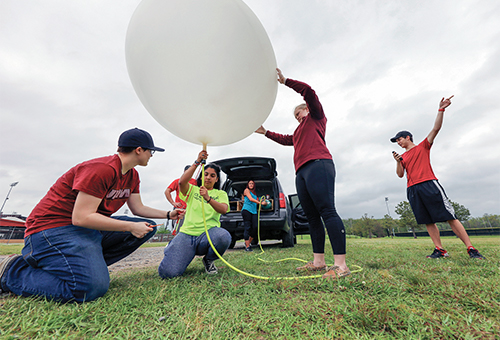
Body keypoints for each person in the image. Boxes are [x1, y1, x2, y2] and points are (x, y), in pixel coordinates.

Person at [0, 128, 183, 303]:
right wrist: (129, 226)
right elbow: (81, 217)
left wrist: (168, 214)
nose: (151, 155)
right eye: (151, 151)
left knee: (147, 227)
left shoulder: (132, 175)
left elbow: (138, 208)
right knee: (87, 288)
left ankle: (86, 265)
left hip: (84, 230)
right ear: (139, 150)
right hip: (52, 229)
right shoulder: (102, 169)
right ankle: (12, 271)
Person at [255, 68, 350, 279]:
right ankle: (318, 262)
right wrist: (266, 132)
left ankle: (341, 265)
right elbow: (287, 139)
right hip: (302, 171)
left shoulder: (316, 117)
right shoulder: (299, 131)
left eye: (300, 113)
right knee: (312, 217)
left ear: (307, 109)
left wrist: (286, 81)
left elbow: (309, 91)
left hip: (319, 164)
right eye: (296, 117)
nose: (298, 118)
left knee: (327, 210)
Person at [391, 96, 485, 259]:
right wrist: (398, 162)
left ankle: (471, 249)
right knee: (428, 220)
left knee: (450, 217)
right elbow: (400, 175)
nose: (398, 142)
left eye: (399, 139)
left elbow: (435, 129)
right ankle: (440, 250)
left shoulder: (422, 146)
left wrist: (441, 109)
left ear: (408, 137)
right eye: (396, 141)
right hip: (412, 189)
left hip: (429, 184)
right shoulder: (403, 157)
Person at [158, 150, 231, 278]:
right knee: (168, 273)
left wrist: (208, 198)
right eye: (206, 174)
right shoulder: (192, 189)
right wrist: (197, 162)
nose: (208, 177)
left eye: (212, 175)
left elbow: (223, 209)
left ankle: (208, 260)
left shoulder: (221, 194)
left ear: (216, 179)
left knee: (223, 237)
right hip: (187, 234)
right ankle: (175, 247)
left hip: (208, 235)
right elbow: (181, 183)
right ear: (201, 176)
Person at [165, 165, 198, 233]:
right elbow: (167, 191)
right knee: (177, 230)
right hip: (180, 210)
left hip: (191, 210)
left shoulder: (196, 182)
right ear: (184, 172)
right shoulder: (178, 181)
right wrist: (173, 203)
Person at [241, 180, 261, 252]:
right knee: (247, 227)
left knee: (255, 227)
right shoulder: (246, 190)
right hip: (247, 210)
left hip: (254, 212)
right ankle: (247, 247)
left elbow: (257, 200)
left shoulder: (255, 194)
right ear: (248, 185)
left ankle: (248, 243)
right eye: (250, 183)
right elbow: (250, 199)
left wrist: (263, 202)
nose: (251, 185)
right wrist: (260, 202)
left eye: (252, 183)